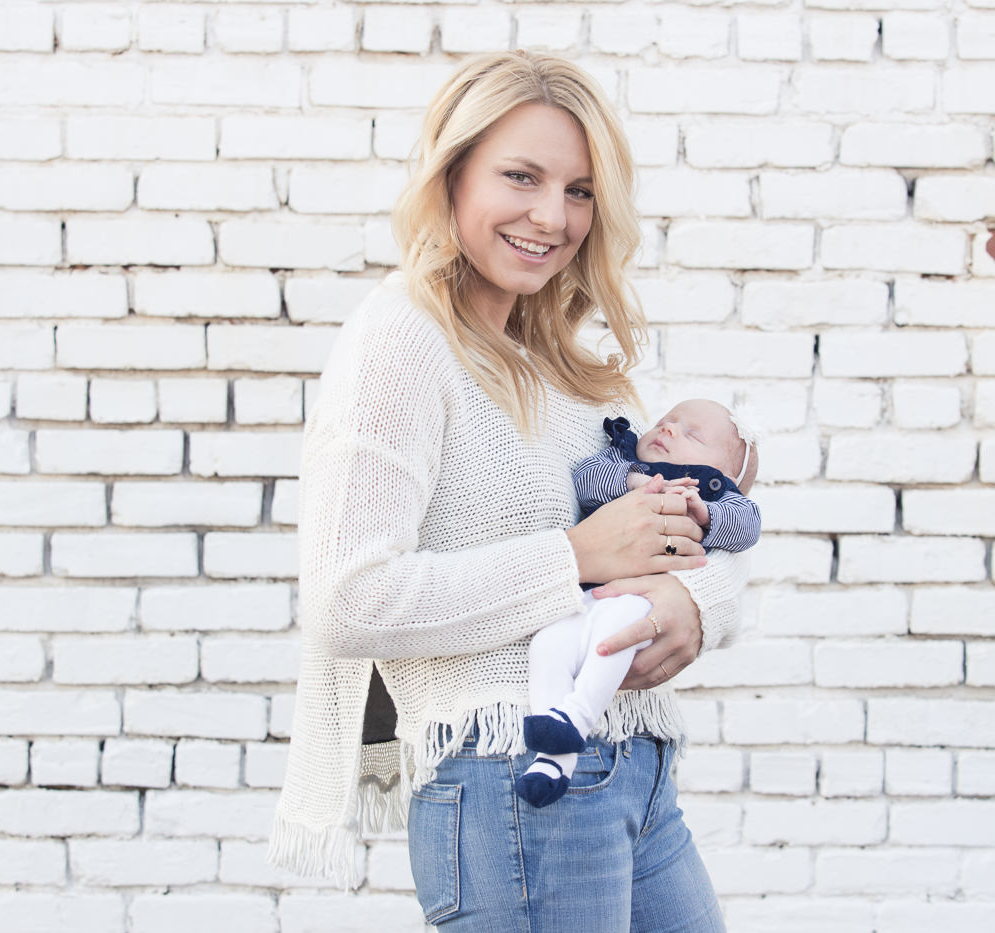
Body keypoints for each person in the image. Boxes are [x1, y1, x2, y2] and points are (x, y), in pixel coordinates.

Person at [269, 50, 748, 932]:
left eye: (578, 190)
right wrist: (571, 557)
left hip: (636, 776)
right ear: (450, 176)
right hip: (514, 784)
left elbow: (687, 525)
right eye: (520, 177)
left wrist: (695, 603)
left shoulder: (568, 369)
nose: (550, 216)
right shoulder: (401, 342)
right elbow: (346, 598)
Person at [517, 400, 761, 808]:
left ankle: (577, 714)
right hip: (583, 596)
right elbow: (585, 480)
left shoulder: (714, 491)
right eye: (668, 421)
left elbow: (748, 527)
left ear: (725, 474)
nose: (669, 429)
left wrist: (707, 516)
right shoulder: (623, 459)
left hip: (637, 600)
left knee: (613, 638)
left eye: (693, 435)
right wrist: (632, 481)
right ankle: (552, 752)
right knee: (548, 644)